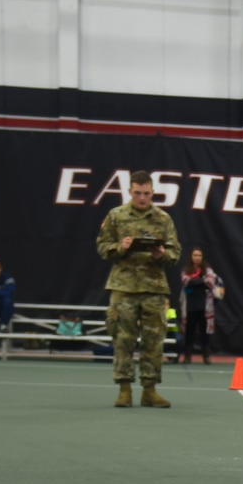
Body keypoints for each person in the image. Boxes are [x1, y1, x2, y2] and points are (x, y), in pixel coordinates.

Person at [95, 169, 181, 407]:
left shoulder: (163, 219)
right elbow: (102, 247)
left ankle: (149, 391)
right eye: (137, 193)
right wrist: (120, 247)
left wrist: (162, 254)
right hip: (123, 288)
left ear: (153, 192)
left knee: (154, 340)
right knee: (123, 339)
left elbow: (175, 253)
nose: (142, 197)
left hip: (154, 288)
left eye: (146, 193)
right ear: (130, 191)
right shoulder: (116, 216)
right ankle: (124, 390)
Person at [178, 248, 224, 365]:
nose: (197, 257)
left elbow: (210, 282)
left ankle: (206, 356)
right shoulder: (185, 270)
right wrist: (201, 281)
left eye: (199, 255)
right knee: (189, 332)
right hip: (189, 306)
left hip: (205, 307)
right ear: (191, 257)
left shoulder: (208, 270)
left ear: (202, 257)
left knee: (205, 333)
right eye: (195, 255)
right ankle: (187, 356)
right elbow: (186, 281)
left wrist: (197, 281)